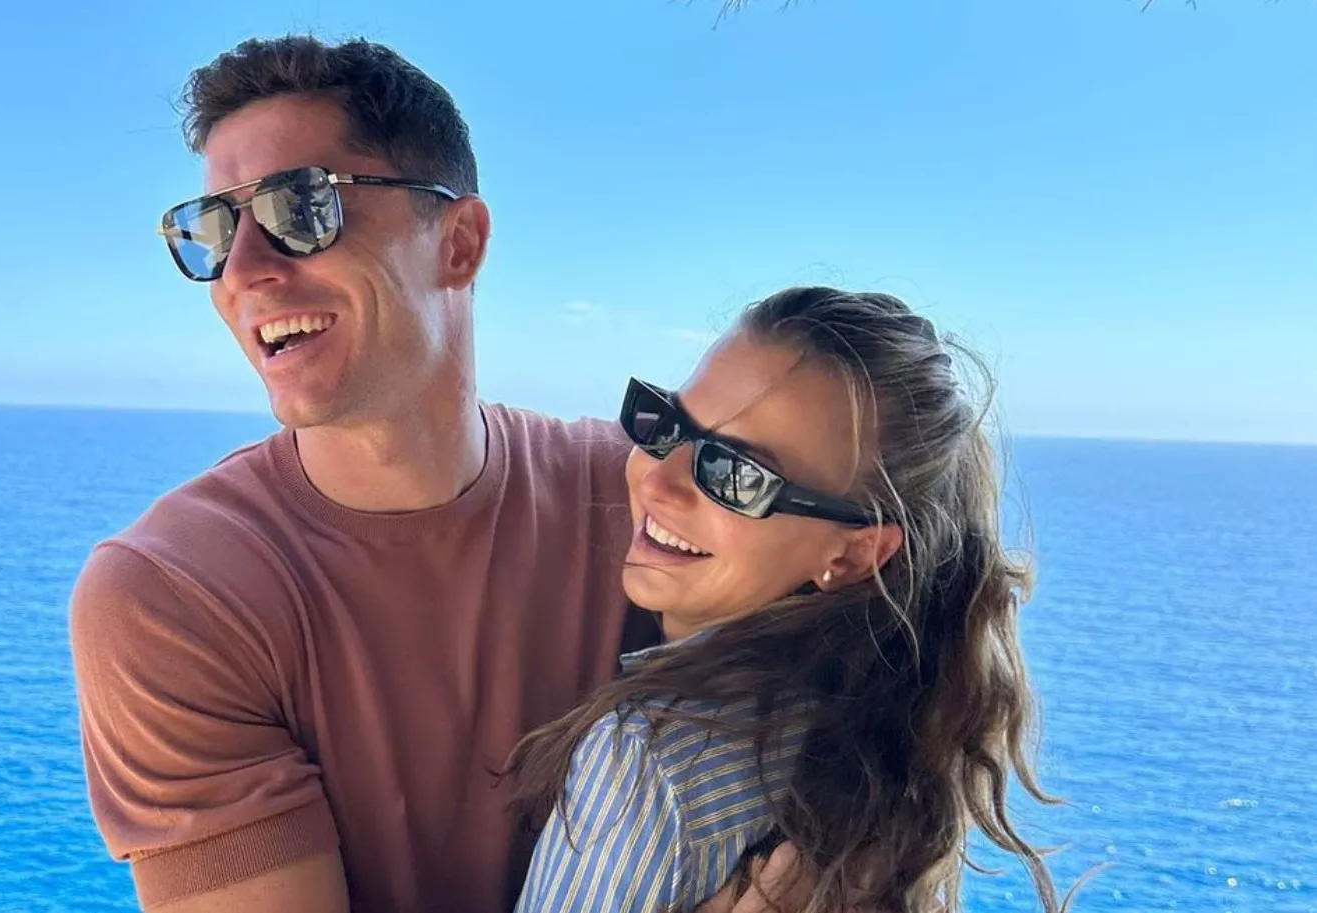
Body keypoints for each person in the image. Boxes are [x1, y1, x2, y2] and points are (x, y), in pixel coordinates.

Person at [67, 34, 792, 913]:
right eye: (214, 229)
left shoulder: (645, 498)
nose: (245, 272)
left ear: (460, 242)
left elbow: (883, 657)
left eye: (302, 208)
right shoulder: (176, 595)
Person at [505, 287, 1070, 913]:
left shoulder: (646, 759)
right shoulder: (881, 733)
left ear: (853, 554)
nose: (658, 478)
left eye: (736, 474)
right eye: (668, 426)